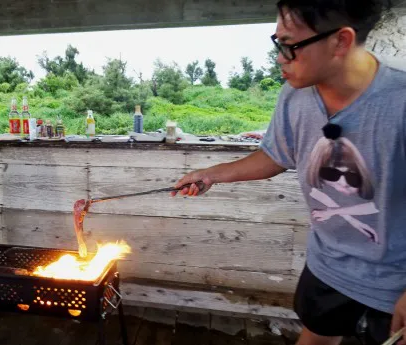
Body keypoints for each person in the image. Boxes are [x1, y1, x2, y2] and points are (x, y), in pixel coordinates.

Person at [172, 1, 406, 344]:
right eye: (277, 42)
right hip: (328, 266)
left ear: (340, 41)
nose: (280, 57)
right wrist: (212, 174)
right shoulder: (294, 97)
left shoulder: (399, 104)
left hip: (394, 284)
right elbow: (276, 155)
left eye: (291, 46)